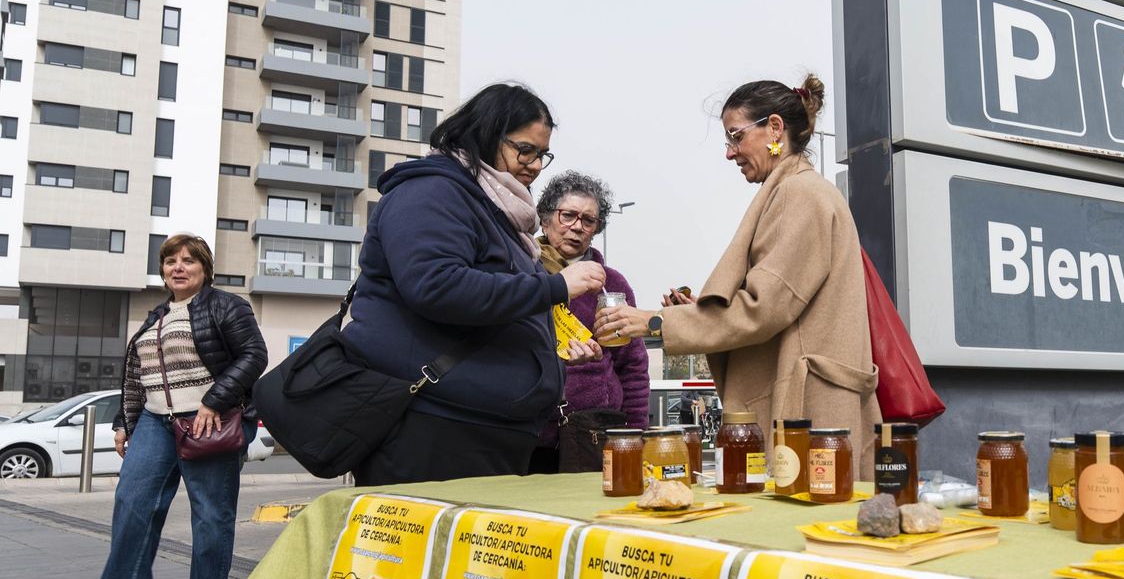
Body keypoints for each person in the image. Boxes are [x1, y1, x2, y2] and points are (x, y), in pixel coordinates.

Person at [594, 75, 879, 476]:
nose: (730, 153)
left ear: (774, 128)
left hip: (808, 410)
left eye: (735, 136)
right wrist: (701, 315)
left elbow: (763, 308)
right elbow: (779, 301)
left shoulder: (800, 195)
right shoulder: (798, 192)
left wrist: (656, 323)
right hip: (812, 402)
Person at [341, 82, 605, 488]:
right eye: (525, 150)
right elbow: (437, 285)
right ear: (487, 134)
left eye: (542, 154)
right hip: (434, 424)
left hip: (481, 426)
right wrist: (555, 288)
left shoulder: (495, 210)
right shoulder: (432, 191)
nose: (534, 165)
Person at [82, 234, 267, 579]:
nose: (178, 267)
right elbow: (141, 376)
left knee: (210, 513)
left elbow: (255, 355)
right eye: (170, 261)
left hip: (209, 419)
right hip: (154, 421)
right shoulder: (156, 317)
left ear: (205, 269)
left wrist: (214, 400)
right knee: (133, 498)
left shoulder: (227, 306)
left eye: (188, 260)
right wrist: (123, 422)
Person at [529, 170, 649, 472]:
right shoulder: (520, 273)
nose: (577, 227)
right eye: (568, 215)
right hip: (529, 432)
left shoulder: (613, 285)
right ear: (545, 219)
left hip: (593, 431)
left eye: (588, 220)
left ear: (596, 229)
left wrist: (636, 435)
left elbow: (632, 366)